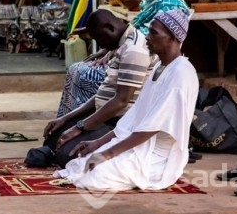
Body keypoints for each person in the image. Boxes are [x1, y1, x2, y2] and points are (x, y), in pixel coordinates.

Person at [53, 9, 198, 191]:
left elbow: (150, 127)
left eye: (154, 33)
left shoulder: (181, 73)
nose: (147, 37)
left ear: (173, 38)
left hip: (157, 153)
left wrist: (107, 153)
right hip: (138, 141)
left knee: (96, 174)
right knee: (80, 163)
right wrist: (98, 144)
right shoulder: (160, 68)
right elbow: (135, 116)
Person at [55, 0, 188, 118]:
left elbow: (147, 43)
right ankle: (68, 120)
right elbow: (132, 35)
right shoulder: (151, 4)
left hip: (147, 65)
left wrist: (113, 54)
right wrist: (108, 51)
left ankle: (85, 120)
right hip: (135, 59)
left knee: (81, 73)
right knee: (77, 68)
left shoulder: (170, 7)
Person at [31, 9, 155, 168]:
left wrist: (80, 127)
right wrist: (66, 118)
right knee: (53, 137)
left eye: (99, 38)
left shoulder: (134, 50)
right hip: (105, 115)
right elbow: (102, 94)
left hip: (119, 123)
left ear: (110, 28)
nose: (101, 45)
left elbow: (121, 101)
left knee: (66, 155)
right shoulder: (121, 44)